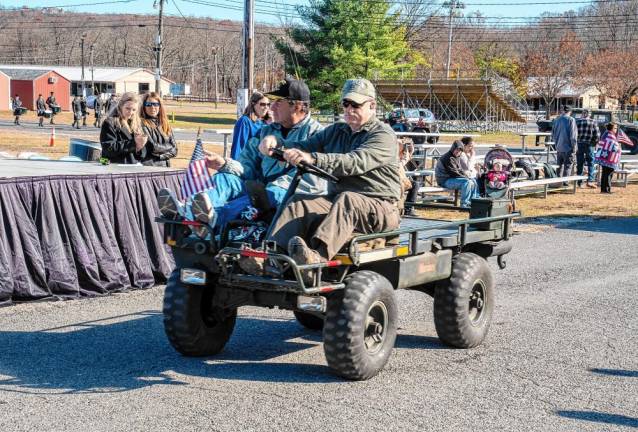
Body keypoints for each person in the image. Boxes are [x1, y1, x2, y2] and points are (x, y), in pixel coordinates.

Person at [249, 78, 402, 282]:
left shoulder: (383, 135)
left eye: (355, 105)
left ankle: (316, 259)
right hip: (340, 202)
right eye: (345, 104)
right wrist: (277, 144)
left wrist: (313, 158)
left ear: (372, 106)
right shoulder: (337, 130)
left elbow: (354, 162)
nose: (348, 109)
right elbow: (305, 145)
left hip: (381, 207)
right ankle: (271, 259)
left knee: (348, 199)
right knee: (299, 201)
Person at [158, 78, 325, 231]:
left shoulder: (317, 135)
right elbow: (247, 166)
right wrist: (224, 164)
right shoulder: (267, 131)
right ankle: (187, 212)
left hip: (289, 194)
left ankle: (215, 218)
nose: (271, 108)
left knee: (266, 194)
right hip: (261, 187)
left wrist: (270, 187)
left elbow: (311, 179)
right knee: (225, 178)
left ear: (296, 106)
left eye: (278, 102)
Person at [99, 92, 148, 164]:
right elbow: (108, 149)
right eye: (128, 108)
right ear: (121, 106)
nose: (131, 112)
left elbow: (141, 155)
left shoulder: (136, 124)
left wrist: (141, 146)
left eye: (134, 110)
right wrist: (134, 144)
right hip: (113, 167)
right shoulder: (110, 123)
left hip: (132, 167)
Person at [435, 140, 479, 208]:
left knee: (473, 181)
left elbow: (459, 170)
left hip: (451, 178)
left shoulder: (456, 157)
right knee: (467, 182)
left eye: (460, 151)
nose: (458, 152)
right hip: (444, 180)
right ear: (453, 148)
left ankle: (473, 202)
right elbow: (454, 173)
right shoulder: (448, 158)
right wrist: (466, 177)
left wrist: (467, 176)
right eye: (457, 150)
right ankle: (464, 204)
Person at [139, 92, 177, 167]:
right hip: (149, 166)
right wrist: (170, 148)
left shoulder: (164, 123)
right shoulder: (141, 123)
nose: (152, 107)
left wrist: (160, 156)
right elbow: (152, 147)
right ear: (144, 107)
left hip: (165, 166)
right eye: (148, 104)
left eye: (156, 104)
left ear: (160, 106)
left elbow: (175, 150)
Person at [229, 91, 270, 160]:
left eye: (268, 104)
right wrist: (236, 166)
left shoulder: (266, 122)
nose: (266, 107)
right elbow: (238, 147)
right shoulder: (244, 121)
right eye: (262, 104)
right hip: (248, 164)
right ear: (253, 104)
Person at [552, 105, 578, 184]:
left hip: (559, 146)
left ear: (563, 111)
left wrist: (556, 144)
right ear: (570, 112)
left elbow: (553, 134)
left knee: (559, 166)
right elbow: (573, 136)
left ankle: (557, 181)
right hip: (568, 147)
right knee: (568, 166)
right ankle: (565, 183)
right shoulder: (571, 120)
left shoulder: (557, 120)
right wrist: (574, 148)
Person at [595, 122, 622, 194]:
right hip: (608, 158)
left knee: (605, 173)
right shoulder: (611, 136)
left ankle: (603, 189)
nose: (616, 130)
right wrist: (619, 148)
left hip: (604, 157)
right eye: (615, 128)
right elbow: (614, 148)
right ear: (612, 128)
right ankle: (606, 190)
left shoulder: (605, 134)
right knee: (608, 173)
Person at [575, 109, 600, 188]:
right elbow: (597, 135)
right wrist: (594, 143)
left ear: (582, 114)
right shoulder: (593, 122)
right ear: (589, 114)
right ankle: (590, 180)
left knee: (580, 163)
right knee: (591, 162)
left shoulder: (577, 122)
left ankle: (579, 181)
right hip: (589, 145)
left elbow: (574, 134)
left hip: (579, 144)